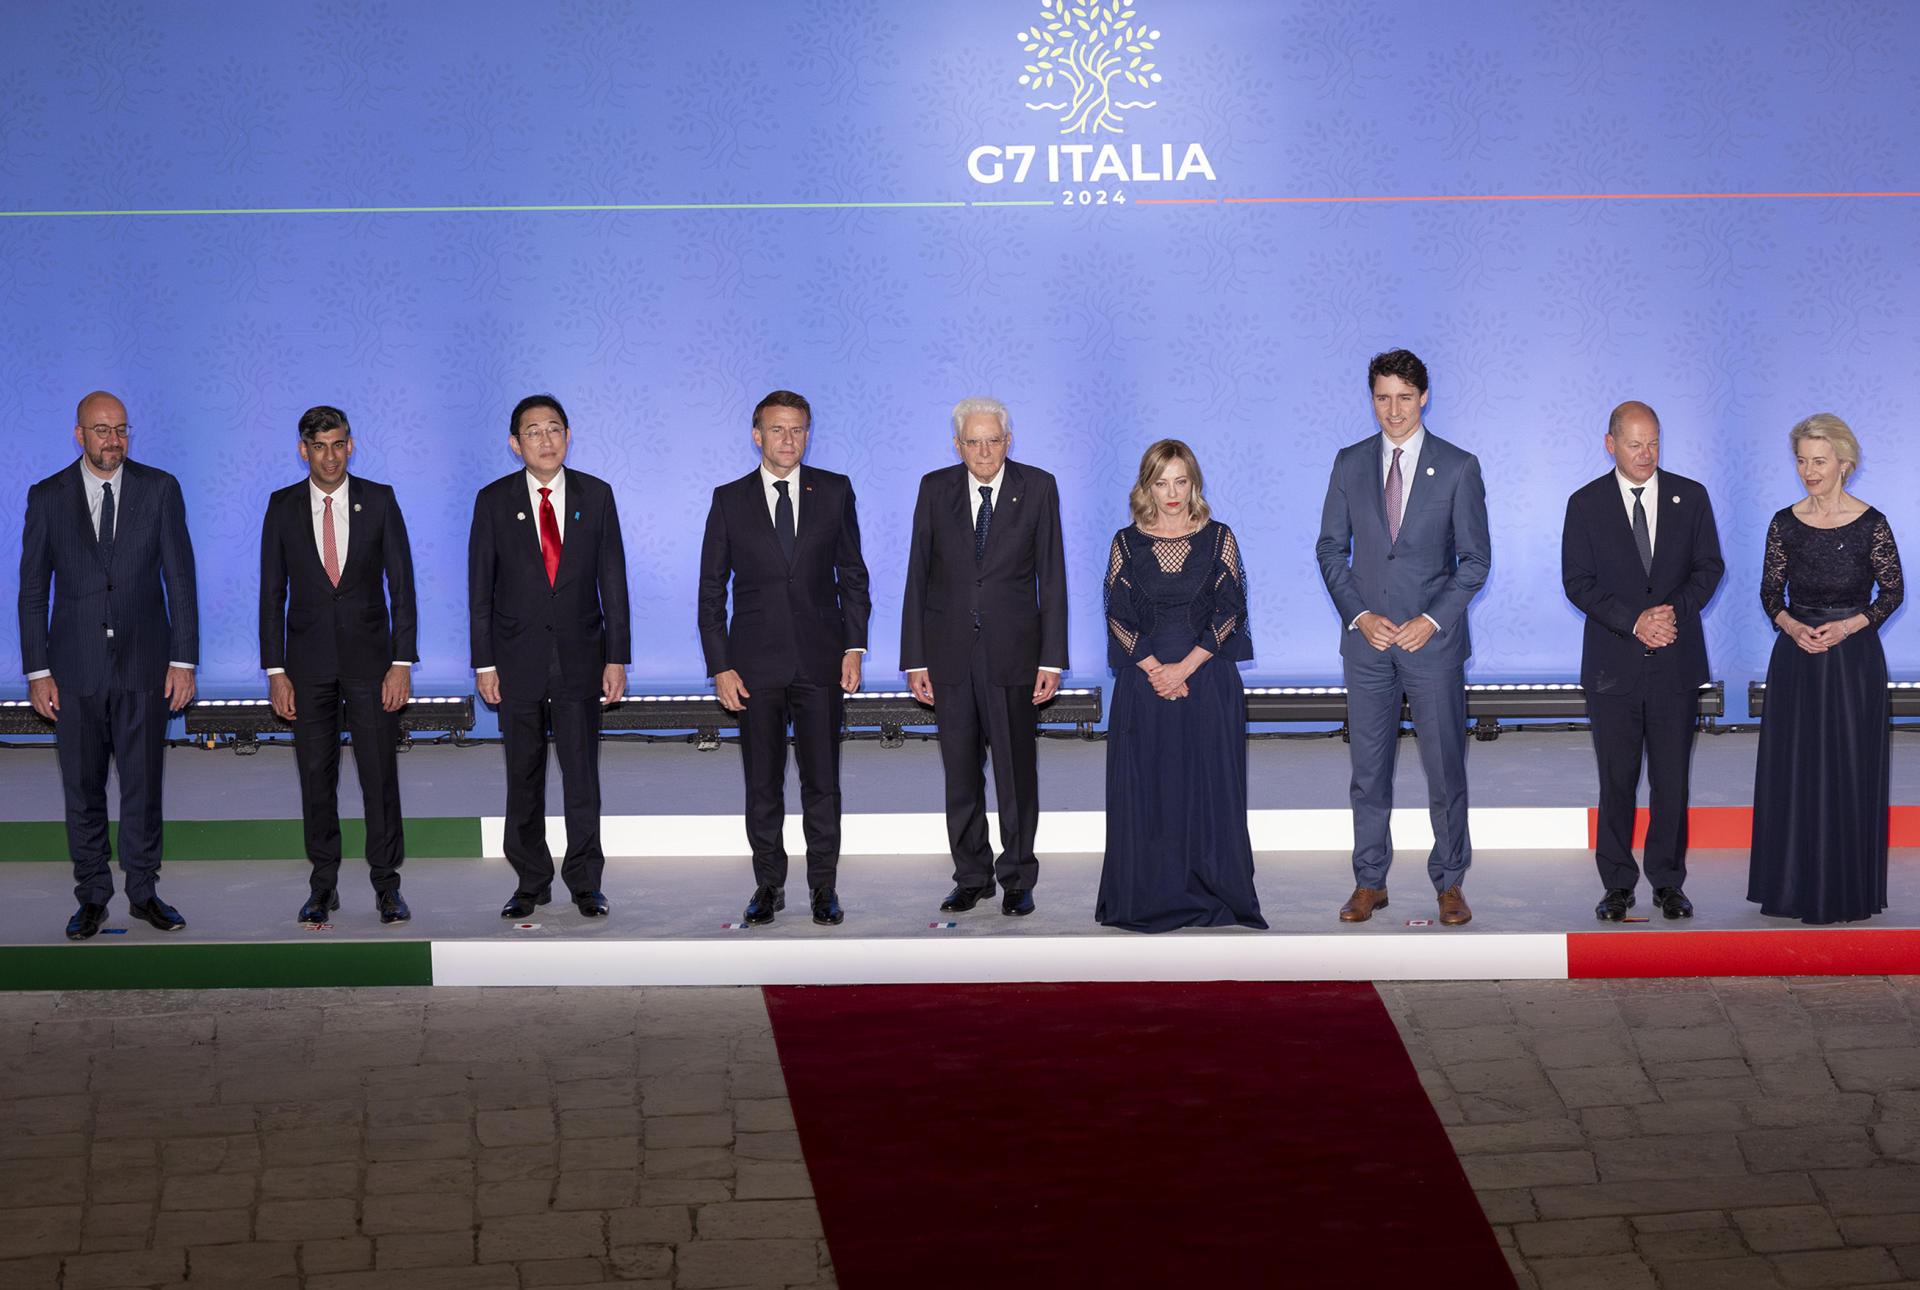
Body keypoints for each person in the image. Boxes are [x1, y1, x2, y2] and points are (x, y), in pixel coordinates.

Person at [1314, 348, 1490, 926]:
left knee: (1445, 769)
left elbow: (1474, 561)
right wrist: (1359, 616)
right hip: (1367, 644)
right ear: (1372, 399)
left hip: (1431, 646)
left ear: (1425, 397)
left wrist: (1431, 620)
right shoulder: (1348, 462)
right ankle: (1370, 881)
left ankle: (1450, 883)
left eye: (1405, 397)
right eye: (1383, 397)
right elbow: (1330, 550)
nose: (1394, 410)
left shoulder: (1459, 466)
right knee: (1368, 771)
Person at [18, 391, 198, 940]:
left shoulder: (160, 489)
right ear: (79, 435)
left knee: (144, 788)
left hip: (146, 667)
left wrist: (183, 660)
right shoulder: (47, 496)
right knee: (83, 790)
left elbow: (181, 581)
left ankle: (143, 892)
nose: (112, 440)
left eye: (120, 429)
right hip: (73, 672)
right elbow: (31, 592)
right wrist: (38, 671)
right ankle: (93, 896)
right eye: (100, 430)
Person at [698, 390, 871, 927]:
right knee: (762, 785)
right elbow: (710, 592)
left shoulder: (835, 490)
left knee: (823, 784)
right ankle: (768, 886)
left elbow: (853, 574)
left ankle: (824, 888)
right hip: (752, 668)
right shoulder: (729, 499)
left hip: (821, 663)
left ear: (808, 433)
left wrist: (853, 646)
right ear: (757, 435)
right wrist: (721, 665)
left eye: (797, 429)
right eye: (777, 430)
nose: (788, 439)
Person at [900, 397, 1068, 918]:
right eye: (972, 441)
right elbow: (917, 574)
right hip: (948, 655)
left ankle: (1017, 876)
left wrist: (1052, 659)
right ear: (957, 445)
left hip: (1015, 655)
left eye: (993, 440)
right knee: (960, 773)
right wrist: (914, 658)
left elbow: (1052, 576)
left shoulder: (1037, 487)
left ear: (1008, 441)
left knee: (1017, 773)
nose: (984, 450)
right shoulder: (934, 489)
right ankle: (971, 875)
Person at [468, 394, 630, 920]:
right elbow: (480, 590)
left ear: (568, 435)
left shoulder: (597, 495)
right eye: (533, 432)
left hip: (582, 657)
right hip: (516, 661)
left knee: (582, 776)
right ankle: (530, 881)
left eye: (554, 429)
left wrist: (616, 656)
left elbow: (614, 582)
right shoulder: (493, 500)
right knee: (524, 775)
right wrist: (484, 662)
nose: (545, 440)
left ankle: (586, 881)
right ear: (516, 444)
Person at [1562, 401, 1724, 921]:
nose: (1646, 454)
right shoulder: (1584, 504)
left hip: (1676, 663)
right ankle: (1616, 884)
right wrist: (1635, 621)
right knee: (1616, 780)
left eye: (1653, 443)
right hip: (1614, 667)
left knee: (1672, 780)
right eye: (1634, 444)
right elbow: (1577, 582)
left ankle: (1668, 882)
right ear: (1610, 443)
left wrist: (1669, 613)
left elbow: (1709, 567)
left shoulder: (1690, 496)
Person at [1096, 439, 1265, 933]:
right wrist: (1156, 671)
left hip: (1208, 684)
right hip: (1143, 688)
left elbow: (1231, 612)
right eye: (1161, 482)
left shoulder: (1220, 538)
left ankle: (1216, 890)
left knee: (1208, 790)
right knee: (1150, 790)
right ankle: (1148, 896)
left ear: (1194, 482)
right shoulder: (1125, 542)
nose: (1172, 493)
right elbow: (1117, 617)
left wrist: (1182, 669)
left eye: (1180, 481)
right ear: (1146, 486)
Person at [259, 405, 419, 926]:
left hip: (373, 666)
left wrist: (401, 662)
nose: (330, 456)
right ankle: (322, 885)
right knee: (315, 777)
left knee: (379, 775)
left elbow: (402, 585)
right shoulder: (281, 507)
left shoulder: (379, 500)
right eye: (319, 446)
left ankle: (387, 885)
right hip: (306, 669)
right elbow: (271, 595)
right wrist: (275, 671)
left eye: (339, 444)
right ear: (303, 450)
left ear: (352, 445)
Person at [1749, 413, 1903, 924]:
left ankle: (1846, 888)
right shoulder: (1784, 522)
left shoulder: (1872, 523)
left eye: (1819, 461)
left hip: (1852, 661)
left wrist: (1850, 626)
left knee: (1850, 768)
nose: (1808, 471)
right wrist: (1791, 626)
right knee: (1794, 772)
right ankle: (1792, 887)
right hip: (1797, 659)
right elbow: (1771, 593)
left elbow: (1893, 592)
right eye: (1801, 460)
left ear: (1845, 464)